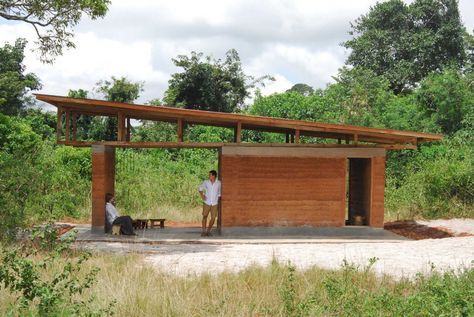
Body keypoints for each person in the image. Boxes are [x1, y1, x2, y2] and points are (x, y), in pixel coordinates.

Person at [198, 170, 221, 236]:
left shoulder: (219, 183)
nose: (209, 176)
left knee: (213, 218)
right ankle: (203, 231)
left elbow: (219, 193)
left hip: (214, 203)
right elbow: (200, 188)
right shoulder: (206, 182)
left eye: (210, 175)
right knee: (205, 216)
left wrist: (218, 202)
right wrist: (202, 196)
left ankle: (208, 231)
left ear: (214, 176)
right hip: (207, 202)